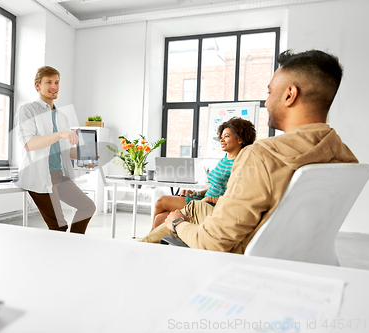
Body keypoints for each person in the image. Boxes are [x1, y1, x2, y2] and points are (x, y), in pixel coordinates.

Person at [142, 49, 358, 252]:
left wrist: (178, 224)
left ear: (290, 94)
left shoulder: (260, 156)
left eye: (270, 91)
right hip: (294, 255)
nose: (266, 101)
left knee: (182, 214)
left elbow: (213, 242)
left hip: (238, 258)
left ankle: (140, 251)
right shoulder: (345, 158)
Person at [15, 66, 96, 234]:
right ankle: (58, 256)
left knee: (88, 207)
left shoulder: (62, 117)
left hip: (57, 176)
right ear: (38, 85)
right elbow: (30, 144)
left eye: (57, 82)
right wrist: (60, 134)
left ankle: (73, 244)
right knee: (59, 226)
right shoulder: (27, 110)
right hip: (38, 176)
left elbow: (64, 151)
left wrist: (86, 156)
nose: (54, 87)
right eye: (49, 82)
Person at [150, 117, 256, 230]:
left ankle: (148, 242)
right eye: (221, 136)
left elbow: (238, 197)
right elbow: (216, 187)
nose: (221, 140)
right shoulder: (224, 160)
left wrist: (212, 200)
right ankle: (153, 243)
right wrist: (195, 193)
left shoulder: (240, 164)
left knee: (161, 201)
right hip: (202, 200)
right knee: (160, 219)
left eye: (226, 136)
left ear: (240, 139)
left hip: (210, 206)